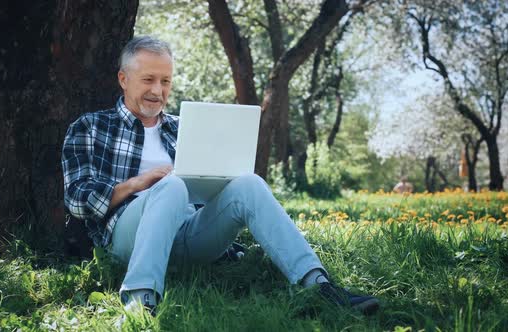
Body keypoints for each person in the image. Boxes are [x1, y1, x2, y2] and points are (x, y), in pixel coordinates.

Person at [61, 36, 379, 318]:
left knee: (249, 183)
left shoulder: (185, 127)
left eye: (166, 81)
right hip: (127, 238)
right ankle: (141, 301)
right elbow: (76, 198)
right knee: (172, 186)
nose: (158, 91)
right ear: (123, 79)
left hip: (190, 235)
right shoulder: (91, 126)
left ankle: (318, 285)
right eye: (148, 79)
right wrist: (140, 183)